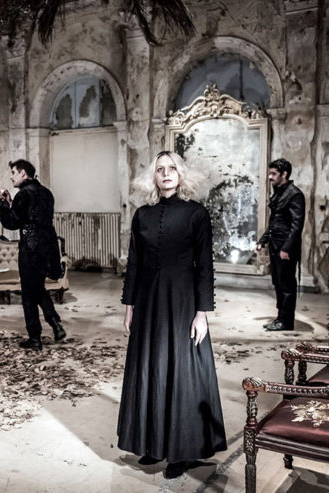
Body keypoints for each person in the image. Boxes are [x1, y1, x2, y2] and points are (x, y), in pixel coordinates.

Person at [118, 151, 226, 479]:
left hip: (182, 302)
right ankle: (153, 443)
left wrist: (202, 313)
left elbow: (204, 266)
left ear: (181, 175)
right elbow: (134, 263)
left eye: (172, 169)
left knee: (181, 372)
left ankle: (183, 451)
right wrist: (129, 306)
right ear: (153, 177)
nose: (166, 174)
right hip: (148, 301)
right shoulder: (142, 215)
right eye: (160, 169)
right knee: (150, 368)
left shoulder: (196, 214)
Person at [0, 159, 65, 351]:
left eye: (13, 173)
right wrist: (10, 203)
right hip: (48, 247)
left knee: (28, 294)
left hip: (31, 248)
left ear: (23, 173)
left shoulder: (24, 194)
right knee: (38, 288)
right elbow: (29, 216)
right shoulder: (46, 193)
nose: (11, 177)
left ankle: (35, 338)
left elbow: (13, 223)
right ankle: (55, 324)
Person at [255, 158, 305, 331]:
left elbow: (297, 225)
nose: (270, 177)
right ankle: (280, 318)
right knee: (278, 282)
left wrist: (286, 248)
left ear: (284, 174)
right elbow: (275, 222)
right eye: (270, 173)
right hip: (275, 245)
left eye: (273, 174)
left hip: (285, 247)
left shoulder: (295, 194)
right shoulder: (279, 192)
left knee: (287, 285)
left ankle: (286, 321)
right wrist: (262, 241)